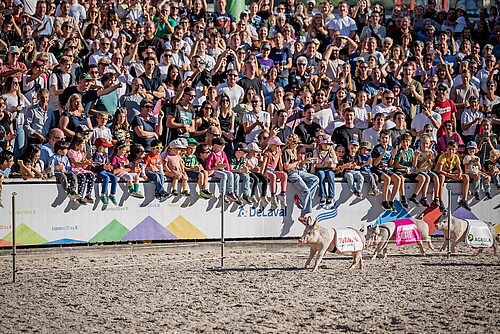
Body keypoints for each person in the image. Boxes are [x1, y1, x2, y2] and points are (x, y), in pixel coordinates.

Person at [282, 134, 319, 224]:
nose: (295, 144)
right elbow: (286, 167)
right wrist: (298, 161)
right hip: (291, 173)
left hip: (297, 171)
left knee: (315, 179)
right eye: (294, 142)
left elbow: (296, 164)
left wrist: (304, 162)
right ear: (290, 142)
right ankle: (304, 215)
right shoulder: (286, 151)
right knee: (306, 191)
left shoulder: (294, 151)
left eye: (296, 143)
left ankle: (301, 197)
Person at [434, 140, 471, 211]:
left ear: (455, 150)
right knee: (442, 177)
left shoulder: (456, 157)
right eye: (449, 149)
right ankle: (440, 200)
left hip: (449, 173)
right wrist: (450, 175)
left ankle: (464, 200)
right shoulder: (443, 156)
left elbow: (459, 168)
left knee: (466, 177)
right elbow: (439, 170)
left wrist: (460, 173)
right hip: (442, 173)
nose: (451, 151)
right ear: (446, 149)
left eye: (453, 149)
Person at [206, 136, 242, 205]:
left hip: (221, 170)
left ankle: (230, 192)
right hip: (215, 171)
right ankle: (222, 193)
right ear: (215, 145)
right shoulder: (212, 154)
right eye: (220, 144)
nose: (223, 146)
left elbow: (226, 164)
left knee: (230, 174)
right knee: (224, 175)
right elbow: (208, 166)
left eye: (223, 144)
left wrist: (228, 171)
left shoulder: (223, 153)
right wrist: (213, 170)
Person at [372, 129, 400, 212]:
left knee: (397, 179)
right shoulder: (377, 148)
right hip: (378, 169)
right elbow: (375, 164)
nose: (384, 140)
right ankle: (384, 201)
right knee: (387, 179)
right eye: (383, 138)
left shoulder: (391, 148)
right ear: (380, 138)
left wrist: (393, 156)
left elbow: (391, 164)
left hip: (387, 169)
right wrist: (382, 154)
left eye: (386, 138)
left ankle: (391, 201)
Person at [67, 134, 96, 205]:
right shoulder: (71, 151)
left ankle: (88, 194)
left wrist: (87, 163)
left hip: (80, 169)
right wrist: (85, 163)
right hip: (73, 169)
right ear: (77, 143)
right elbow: (76, 163)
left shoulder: (82, 153)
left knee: (91, 175)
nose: (83, 145)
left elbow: (83, 167)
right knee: (82, 177)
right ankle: (79, 195)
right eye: (82, 144)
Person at [260, 136, 288, 207]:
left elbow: (280, 163)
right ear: (271, 145)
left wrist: (282, 172)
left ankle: (282, 194)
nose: (278, 147)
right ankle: (273, 196)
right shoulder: (267, 152)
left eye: (279, 146)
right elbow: (263, 164)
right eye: (277, 145)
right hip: (267, 171)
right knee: (273, 176)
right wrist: (261, 175)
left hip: (273, 171)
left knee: (284, 175)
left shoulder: (279, 152)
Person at [92, 137, 119, 206]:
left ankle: (112, 194)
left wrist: (109, 167)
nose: (105, 148)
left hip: (104, 171)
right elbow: (94, 166)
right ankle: (103, 195)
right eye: (104, 146)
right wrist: (102, 167)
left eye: (106, 147)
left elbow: (107, 164)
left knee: (115, 178)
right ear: (99, 146)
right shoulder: (96, 155)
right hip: (98, 172)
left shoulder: (105, 155)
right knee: (106, 178)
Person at [414, 134, 439, 207]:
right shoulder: (418, 153)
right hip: (420, 171)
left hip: (428, 170)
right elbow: (418, 166)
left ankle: (436, 197)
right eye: (423, 143)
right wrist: (426, 160)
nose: (425, 145)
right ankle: (423, 197)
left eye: (427, 143)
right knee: (427, 178)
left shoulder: (430, 152)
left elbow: (431, 165)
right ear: (420, 144)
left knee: (436, 177)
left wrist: (432, 160)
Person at [313, 135, 337, 206]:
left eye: (329, 144)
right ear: (321, 144)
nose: (327, 145)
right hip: (320, 169)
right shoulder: (316, 152)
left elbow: (335, 166)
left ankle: (331, 196)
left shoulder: (332, 152)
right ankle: (322, 195)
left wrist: (330, 165)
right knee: (321, 175)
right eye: (325, 144)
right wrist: (324, 165)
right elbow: (315, 165)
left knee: (330, 176)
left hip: (329, 169)